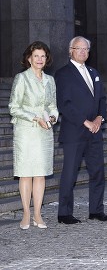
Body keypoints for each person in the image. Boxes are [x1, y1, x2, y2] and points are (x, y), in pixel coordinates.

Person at [55, 36, 107, 224]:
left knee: (97, 172)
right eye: (79, 49)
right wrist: (85, 122)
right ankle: (64, 213)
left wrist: (99, 118)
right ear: (71, 50)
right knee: (70, 173)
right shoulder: (63, 74)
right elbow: (64, 103)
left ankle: (96, 210)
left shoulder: (93, 72)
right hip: (74, 131)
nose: (83, 52)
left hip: (94, 131)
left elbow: (102, 99)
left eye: (86, 49)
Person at [8, 41, 58, 230]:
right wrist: (35, 117)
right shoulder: (21, 78)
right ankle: (26, 214)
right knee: (26, 173)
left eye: (43, 56)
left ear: (47, 59)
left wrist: (52, 118)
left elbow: (53, 106)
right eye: (36, 56)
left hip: (45, 131)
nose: (39, 59)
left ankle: (37, 213)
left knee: (40, 174)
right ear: (29, 58)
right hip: (26, 131)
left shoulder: (50, 80)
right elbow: (13, 107)